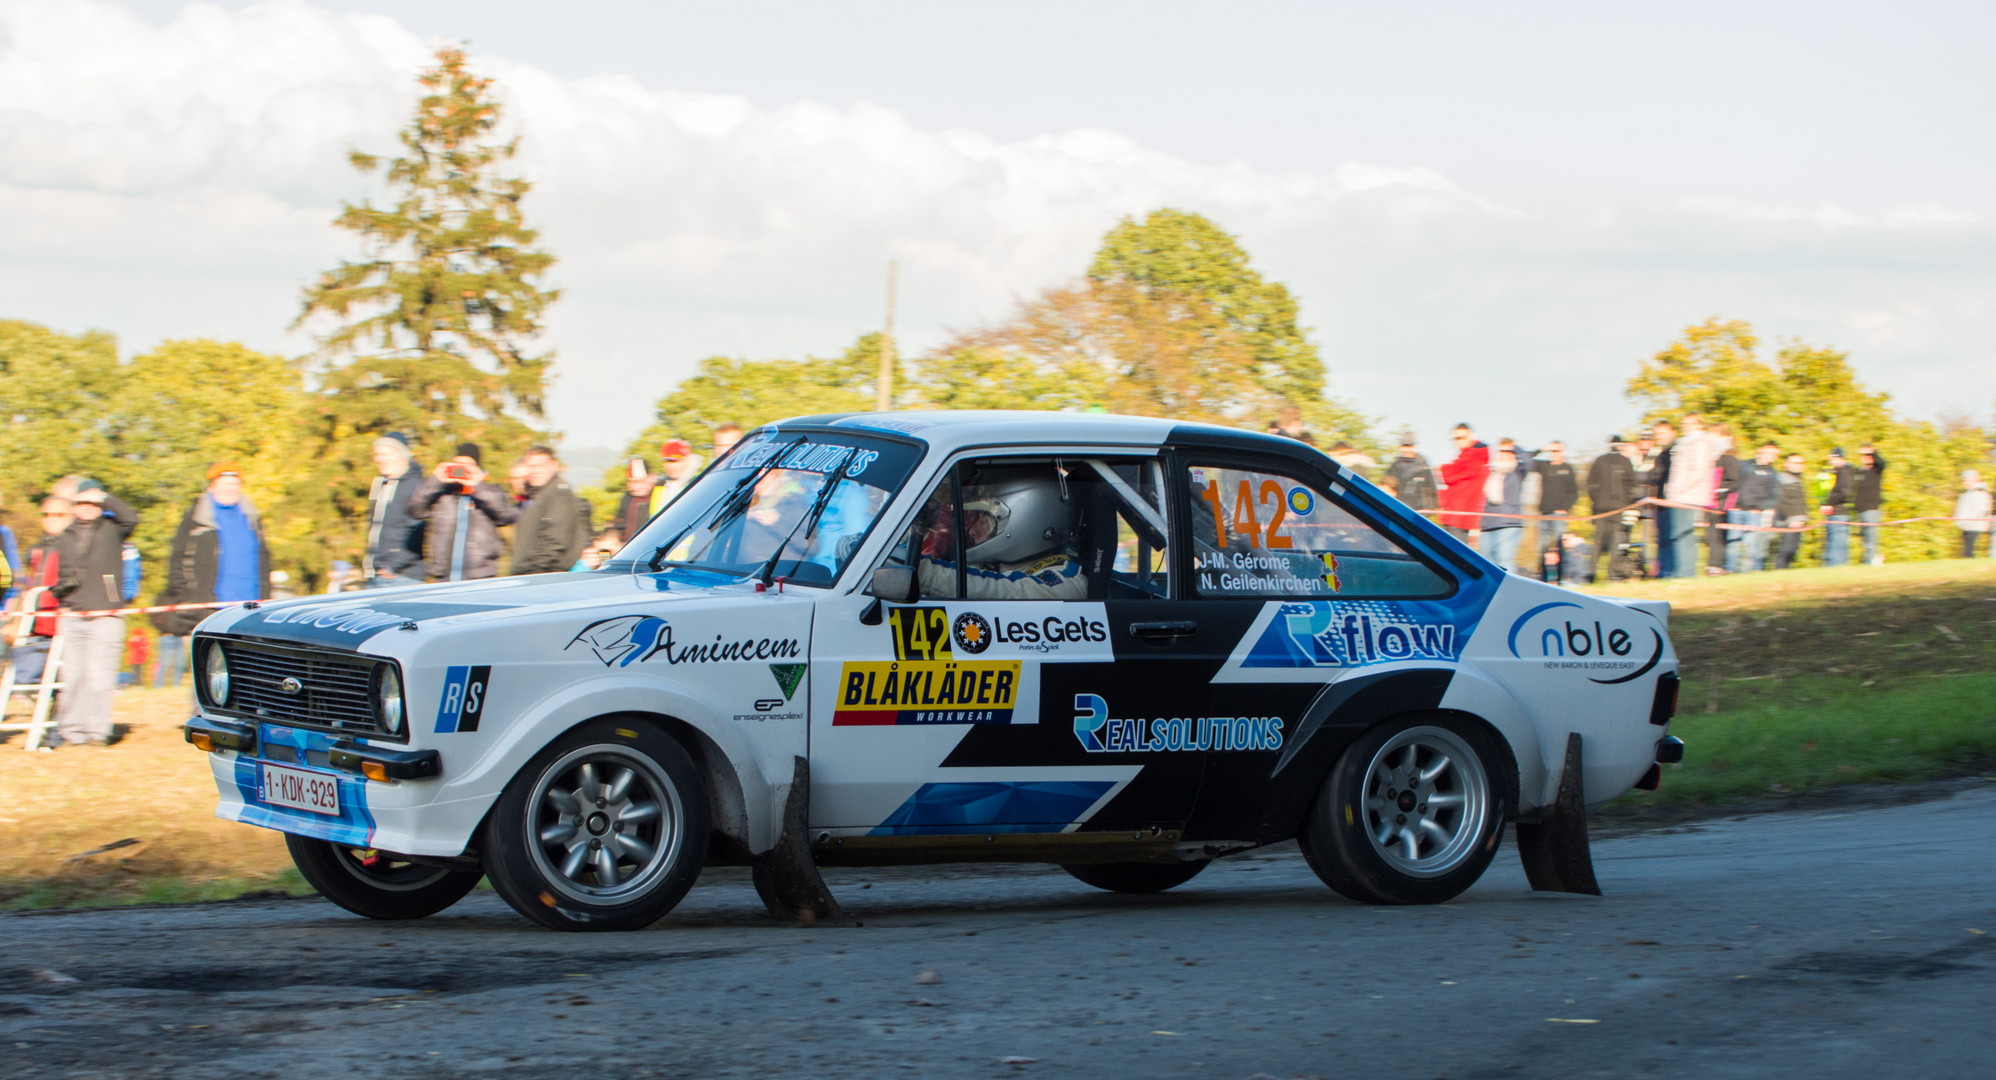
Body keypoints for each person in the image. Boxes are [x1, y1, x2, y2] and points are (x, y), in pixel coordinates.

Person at [152, 461, 272, 683]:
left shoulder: (251, 516)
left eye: (234, 483)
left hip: (251, 606)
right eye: (224, 483)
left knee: (251, 668)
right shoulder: (197, 518)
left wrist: (267, 596)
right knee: (211, 669)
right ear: (211, 486)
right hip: (210, 606)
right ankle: (204, 714)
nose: (230, 488)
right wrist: (187, 600)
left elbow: (264, 557)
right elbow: (178, 561)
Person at [51, 479, 138, 748]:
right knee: (74, 676)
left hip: (106, 614)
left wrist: (104, 496)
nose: (87, 507)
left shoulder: (114, 529)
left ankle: (97, 733)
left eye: (92, 503)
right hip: (73, 615)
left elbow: (131, 518)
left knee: (100, 676)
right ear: (74, 506)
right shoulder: (64, 536)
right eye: (82, 502)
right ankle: (72, 731)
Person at [917, 467, 1087, 600]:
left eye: (985, 520)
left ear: (1026, 521)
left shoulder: (1067, 582)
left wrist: (921, 571)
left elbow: (996, 589)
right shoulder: (1004, 563)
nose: (972, 531)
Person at [411, 443, 520, 582]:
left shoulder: (491, 491)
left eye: (467, 465)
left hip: (480, 575)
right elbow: (414, 510)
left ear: (478, 468)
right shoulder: (442, 495)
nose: (461, 469)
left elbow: (505, 515)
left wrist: (477, 486)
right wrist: (435, 480)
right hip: (444, 575)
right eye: (457, 464)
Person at [511, 446, 589, 576]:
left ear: (554, 465)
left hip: (543, 575)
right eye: (531, 466)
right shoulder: (537, 493)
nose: (535, 471)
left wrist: (534, 574)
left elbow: (555, 541)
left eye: (540, 466)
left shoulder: (558, 493)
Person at [363, 433, 427, 588]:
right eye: (377, 454)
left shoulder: (416, 486)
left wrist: (392, 566)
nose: (378, 459)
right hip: (376, 574)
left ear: (402, 455)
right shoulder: (381, 484)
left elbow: (416, 531)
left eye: (385, 454)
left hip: (401, 577)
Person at [1661, 414, 1718, 579]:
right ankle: (1683, 571)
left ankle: (1685, 573)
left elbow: (1698, 470)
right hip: (1682, 495)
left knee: (1682, 535)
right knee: (1680, 535)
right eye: (1683, 422)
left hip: (1687, 496)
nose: (1685, 425)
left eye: (1689, 423)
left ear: (1699, 424)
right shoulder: (1687, 442)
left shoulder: (1698, 442)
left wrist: (1678, 489)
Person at [1586, 434, 1640, 582]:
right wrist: (1627, 503)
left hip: (1601, 508)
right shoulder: (1625, 462)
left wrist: (1597, 500)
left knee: (1598, 541)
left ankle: (1591, 573)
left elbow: (1590, 484)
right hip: (1618, 508)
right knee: (1615, 542)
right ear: (1621, 445)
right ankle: (1613, 574)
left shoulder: (1600, 460)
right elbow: (1633, 487)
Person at [1437, 424, 1489, 544]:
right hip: (1457, 514)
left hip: (1458, 516)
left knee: (1453, 555)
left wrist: (1443, 468)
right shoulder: (1470, 455)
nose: (1458, 441)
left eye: (1462, 438)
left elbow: (1447, 475)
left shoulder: (1473, 456)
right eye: (1455, 438)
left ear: (1471, 436)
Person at [1733, 442, 1782, 573]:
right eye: (1768, 452)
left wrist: (1759, 508)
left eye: (1774, 454)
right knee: (1732, 545)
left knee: (1751, 547)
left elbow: (1775, 497)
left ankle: (1746, 574)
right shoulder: (1742, 465)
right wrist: (1733, 504)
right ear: (1760, 450)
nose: (1770, 456)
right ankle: (1729, 571)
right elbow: (1732, 484)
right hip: (1735, 511)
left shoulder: (1772, 474)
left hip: (1754, 514)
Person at [1478, 439, 1525, 571]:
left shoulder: (1518, 471)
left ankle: (1510, 590)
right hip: (1488, 523)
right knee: (1487, 563)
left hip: (1508, 523)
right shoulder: (1491, 471)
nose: (1504, 454)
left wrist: (1514, 447)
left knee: (1504, 561)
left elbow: (1528, 460)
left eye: (1508, 451)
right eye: (1501, 451)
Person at [1706, 424, 1740, 575]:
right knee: (1710, 533)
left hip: (1721, 501)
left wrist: (1719, 490)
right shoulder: (1713, 457)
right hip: (1710, 500)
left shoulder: (1728, 458)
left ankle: (1717, 564)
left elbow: (1734, 481)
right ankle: (1713, 563)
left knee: (1717, 533)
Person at [1818, 448, 1857, 567]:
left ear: (1839, 458)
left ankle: (1835, 567)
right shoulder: (1840, 471)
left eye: (1832, 458)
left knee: (1837, 544)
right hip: (1836, 512)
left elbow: (1845, 492)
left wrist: (1829, 503)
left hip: (1839, 512)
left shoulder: (1843, 472)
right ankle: (1833, 566)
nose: (1830, 461)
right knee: (1835, 543)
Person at [648, 439, 705, 516]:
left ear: (687, 460)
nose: (670, 466)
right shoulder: (659, 487)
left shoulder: (698, 484)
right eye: (667, 461)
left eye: (676, 461)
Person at [1382, 433, 1438, 513]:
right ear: (1400, 447)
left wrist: (1424, 514)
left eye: (1409, 446)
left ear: (1414, 447)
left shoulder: (1423, 468)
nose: (1407, 449)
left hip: (1417, 513)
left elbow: (1429, 496)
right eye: (1404, 446)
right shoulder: (1394, 467)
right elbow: (1386, 490)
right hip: (1397, 510)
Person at [1773, 452, 1811, 570]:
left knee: (1792, 549)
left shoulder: (1796, 480)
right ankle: (1779, 572)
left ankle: (1783, 571)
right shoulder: (1782, 479)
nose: (1798, 466)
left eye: (1800, 463)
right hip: (1789, 521)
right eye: (1794, 462)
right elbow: (1781, 501)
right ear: (1786, 464)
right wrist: (1790, 518)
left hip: (1797, 520)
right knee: (1786, 549)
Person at [1853, 443, 1888, 566]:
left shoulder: (1876, 470)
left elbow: (1883, 463)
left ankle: (1873, 561)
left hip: (1871, 509)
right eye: (1863, 454)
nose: (1865, 457)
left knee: (1871, 537)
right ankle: (1867, 561)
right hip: (1861, 509)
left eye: (1868, 455)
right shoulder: (1860, 472)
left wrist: (1873, 452)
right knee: (1864, 538)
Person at [615, 457, 655, 541]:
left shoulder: (662, 495)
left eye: (640, 481)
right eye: (631, 482)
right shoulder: (626, 500)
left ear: (651, 478)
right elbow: (617, 529)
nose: (635, 487)